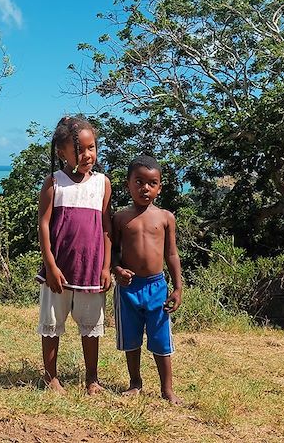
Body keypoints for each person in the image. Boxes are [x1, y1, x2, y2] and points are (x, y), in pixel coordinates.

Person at [37, 115, 112, 395]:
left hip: (91, 269)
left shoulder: (102, 184)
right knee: (52, 324)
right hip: (59, 270)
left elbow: (106, 228)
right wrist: (50, 265)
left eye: (91, 147)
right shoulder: (53, 183)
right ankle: (50, 377)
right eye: (79, 150)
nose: (87, 155)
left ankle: (92, 379)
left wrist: (106, 267)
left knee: (91, 326)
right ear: (62, 153)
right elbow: (44, 225)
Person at [112, 154, 183, 404]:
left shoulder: (165, 217)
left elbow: (172, 253)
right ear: (128, 185)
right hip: (129, 289)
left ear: (159, 187)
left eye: (152, 183)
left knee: (161, 338)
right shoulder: (120, 218)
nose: (145, 188)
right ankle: (135, 383)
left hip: (157, 287)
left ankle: (167, 389)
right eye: (139, 182)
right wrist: (117, 270)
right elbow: (113, 251)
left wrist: (177, 287)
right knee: (131, 339)